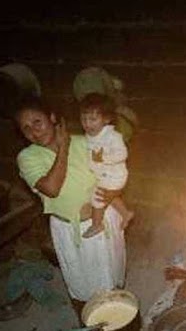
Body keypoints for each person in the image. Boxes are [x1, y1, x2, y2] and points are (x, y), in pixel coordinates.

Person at [14, 97, 126, 316]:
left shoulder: (86, 142)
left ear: (53, 118)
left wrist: (123, 210)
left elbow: (106, 178)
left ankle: (120, 320)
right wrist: (63, 147)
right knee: (80, 286)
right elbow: (52, 188)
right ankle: (88, 323)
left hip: (102, 220)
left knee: (111, 277)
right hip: (68, 229)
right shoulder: (27, 157)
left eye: (37, 122)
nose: (34, 132)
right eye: (26, 128)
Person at [79, 93, 134, 238]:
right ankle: (125, 213)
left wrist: (104, 157)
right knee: (107, 196)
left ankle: (97, 225)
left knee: (97, 198)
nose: (87, 124)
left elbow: (122, 154)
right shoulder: (88, 136)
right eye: (84, 119)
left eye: (93, 119)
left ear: (106, 119)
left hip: (114, 175)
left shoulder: (113, 136)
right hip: (103, 174)